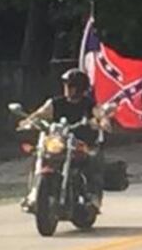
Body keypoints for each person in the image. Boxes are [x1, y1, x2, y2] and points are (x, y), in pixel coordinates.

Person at [19, 68, 111, 211]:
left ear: (79, 88)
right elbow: (39, 114)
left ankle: (93, 197)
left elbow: (99, 114)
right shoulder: (55, 103)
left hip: (82, 144)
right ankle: (33, 194)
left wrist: (102, 121)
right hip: (59, 141)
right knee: (37, 155)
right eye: (66, 85)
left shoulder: (89, 104)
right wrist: (28, 121)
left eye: (71, 86)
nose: (67, 88)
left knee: (93, 160)